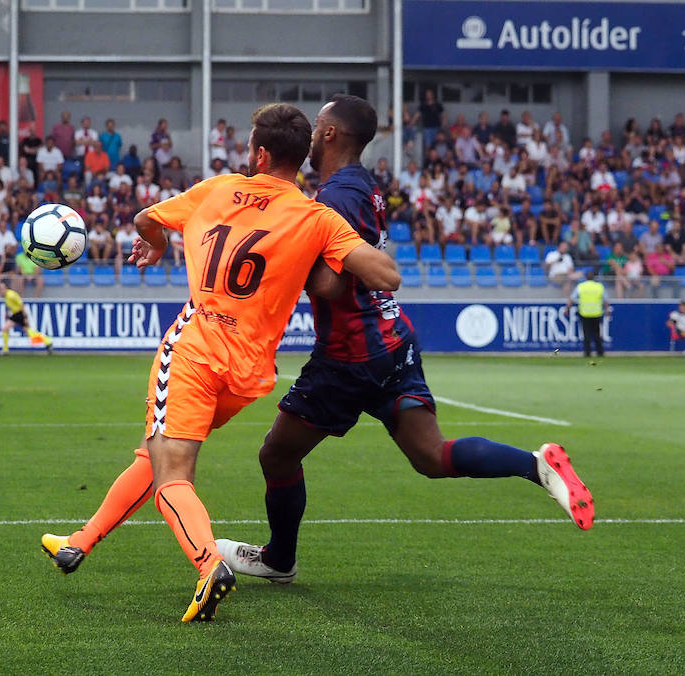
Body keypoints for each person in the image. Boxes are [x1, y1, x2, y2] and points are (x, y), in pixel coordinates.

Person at [212, 96, 595, 587]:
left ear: (329, 134)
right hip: (392, 339)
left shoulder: (334, 200)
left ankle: (279, 559)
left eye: (316, 128)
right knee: (432, 457)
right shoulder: (363, 187)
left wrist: (280, 263)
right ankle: (536, 465)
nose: (308, 137)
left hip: (350, 353)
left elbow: (331, 284)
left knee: (277, 455)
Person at [39, 102, 399, 623]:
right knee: (153, 454)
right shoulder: (316, 216)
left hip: (195, 349)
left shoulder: (219, 189)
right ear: (301, 157)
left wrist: (157, 243)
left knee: (172, 475)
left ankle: (209, 567)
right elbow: (385, 276)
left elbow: (146, 218)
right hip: (248, 371)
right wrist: (326, 257)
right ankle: (79, 542)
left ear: (258, 152)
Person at [564, 270, 610, 358]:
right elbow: (606, 300)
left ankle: (587, 353)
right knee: (597, 334)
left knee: (586, 334)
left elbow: (572, 299)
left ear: (585, 278)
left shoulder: (581, 286)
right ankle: (600, 352)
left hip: (584, 313)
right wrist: (607, 310)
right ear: (594, 278)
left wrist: (567, 309)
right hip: (596, 313)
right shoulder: (599, 287)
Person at [0, 280, 52, 355]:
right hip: (15, 315)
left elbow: (21, 305)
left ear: (6, 288)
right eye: (0, 289)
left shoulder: (11, 295)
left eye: (2, 288)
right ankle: (5, 349)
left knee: (30, 333)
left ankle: (47, 341)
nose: (1, 290)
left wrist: (25, 318)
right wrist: (8, 312)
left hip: (19, 314)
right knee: (5, 329)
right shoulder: (7, 296)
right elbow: (13, 306)